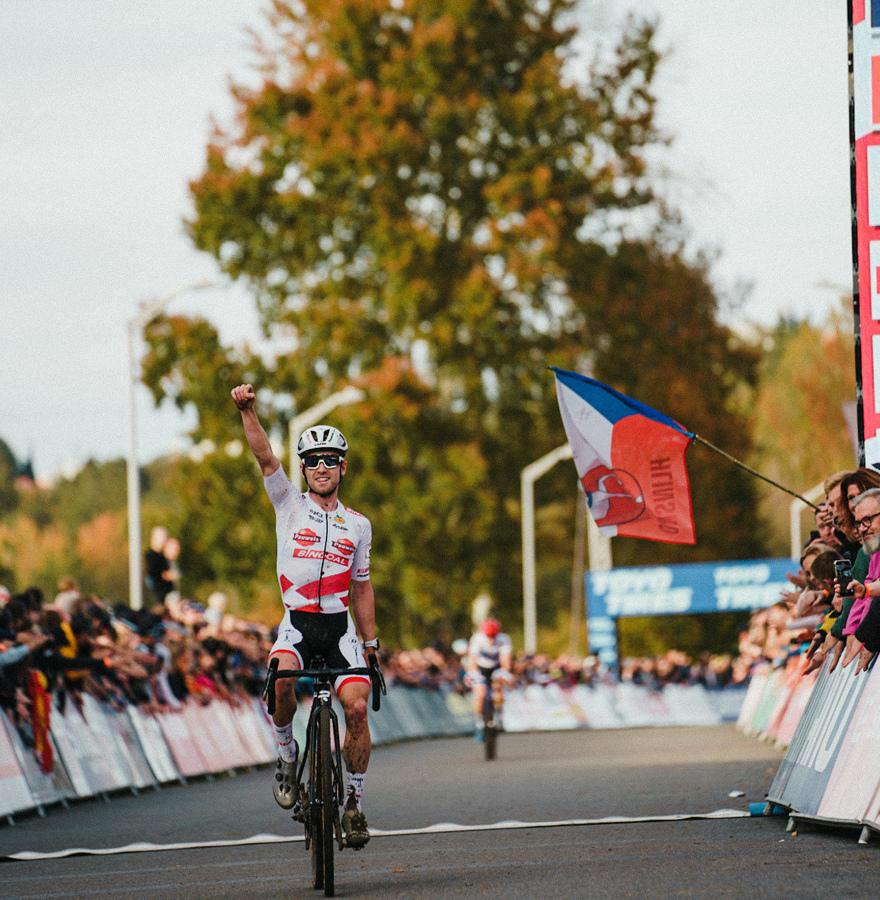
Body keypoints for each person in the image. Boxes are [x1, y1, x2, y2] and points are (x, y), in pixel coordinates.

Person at [231, 383, 378, 848]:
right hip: (297, 624)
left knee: (355, 706)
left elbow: (363, 588)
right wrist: (248, 412)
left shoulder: (358, 525)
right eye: (312, 460)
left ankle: (353, 805)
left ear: (342, 467)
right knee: (280, 682)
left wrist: (371, 647)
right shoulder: (288, 505)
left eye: (329, 459)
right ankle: (287, 755)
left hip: (339, 630)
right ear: (303, 469)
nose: (320, 467)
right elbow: (264, 458)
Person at [467, 618, 513, 738]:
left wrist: (502, 673)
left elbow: (505, 661)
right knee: (481, 694)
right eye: (489, 636)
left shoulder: (504, 639)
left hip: (496, 667)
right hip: (480, 668)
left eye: (494, 636)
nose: (491, 639)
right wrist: (475, 675)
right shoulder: (477, 639)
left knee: (499, 685)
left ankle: (499, 715)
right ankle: (479, 723)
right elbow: (472, 661)